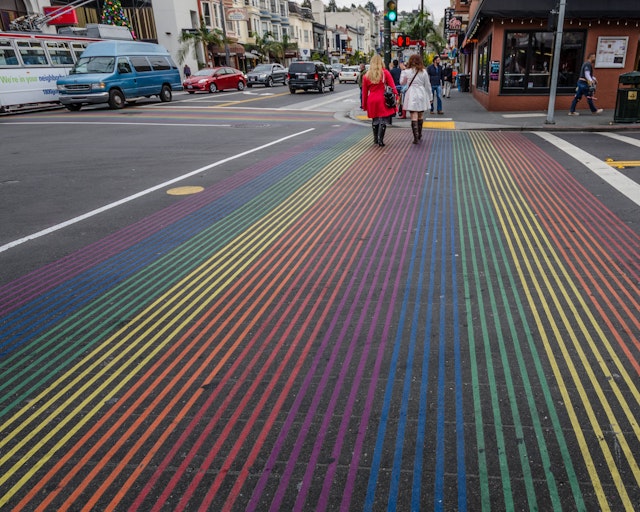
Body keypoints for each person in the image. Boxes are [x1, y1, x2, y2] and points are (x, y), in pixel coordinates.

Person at [362, 54, 398, 147]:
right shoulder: (385, 73)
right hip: (382, 98)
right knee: (383, 119)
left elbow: (364, 92)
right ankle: (380, 139)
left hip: (372, 99)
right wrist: (397, 97)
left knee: (375, 119)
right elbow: (393, 87)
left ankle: (375, 139)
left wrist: (364, 105)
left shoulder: (366, 75)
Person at [400, 53, 433, 144]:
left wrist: (403, 70)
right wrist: (430, 97)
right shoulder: (424, 71)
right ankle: (420, 134)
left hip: (411, 94)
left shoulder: (407, 71)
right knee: (420, 115)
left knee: (413, 115)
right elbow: (428, 85)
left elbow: (401, 82)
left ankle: (415, 137)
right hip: (422, 93)